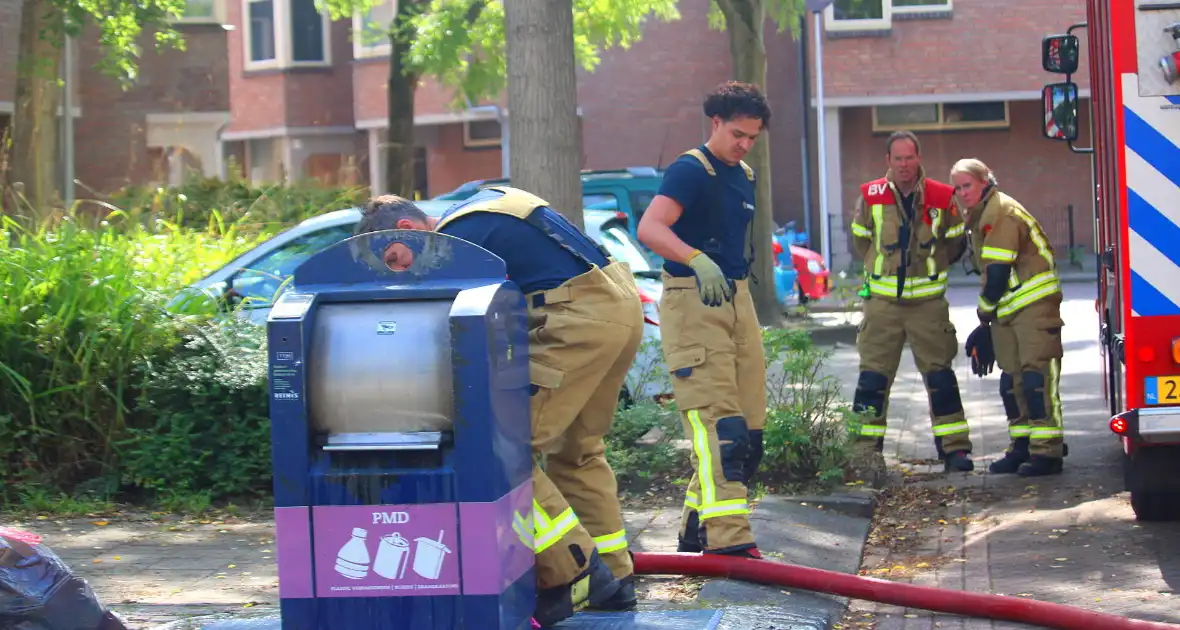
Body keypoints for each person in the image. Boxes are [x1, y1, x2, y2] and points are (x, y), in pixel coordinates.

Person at [352, 189, 644, 626]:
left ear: (407, 230)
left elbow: (458, 324)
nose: (401, 272)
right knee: (577, 451)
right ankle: (615, 579)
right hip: (618, 307)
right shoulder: (477, 209)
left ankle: (575, 572)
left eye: (394, 259)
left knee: (503, 448)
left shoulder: (454, 240)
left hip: (575, 321)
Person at [636, 81, 770, 559]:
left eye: (753, 137)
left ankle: (697, 527)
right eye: (737, 134)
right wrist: (696, 259)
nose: (744, 145)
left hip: (736, 300)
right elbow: (650, 227)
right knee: (720, 428)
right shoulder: (691, 170)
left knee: (749, 431)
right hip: (693, 301)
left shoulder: (745, 175)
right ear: (715, 123)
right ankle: (728, 542)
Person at [848, 130, 974, 480]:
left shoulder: (941, 196)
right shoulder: (870, 196)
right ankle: (865, 455)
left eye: (909, 157)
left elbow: (954, 243)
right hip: (882, 304)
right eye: (897, 158)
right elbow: (860, 240)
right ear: (888, 161)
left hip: (928, 305)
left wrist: (928, 270)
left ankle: (955, 449)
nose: (904, 165)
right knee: (872, 379)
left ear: (919, 158)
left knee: (940, 376)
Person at [950, 158, 1067, 477]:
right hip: (1008, 308)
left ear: (985, 181)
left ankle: (1048, 453)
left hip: (1033, 306)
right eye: (958, 188)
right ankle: (1022, 446)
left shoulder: (1000, 212)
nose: (962, 193)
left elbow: (998, 272)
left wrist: (982, 319)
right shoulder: (978, 216)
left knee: (1035, 378)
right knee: (1011, 381)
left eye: (967, 185)